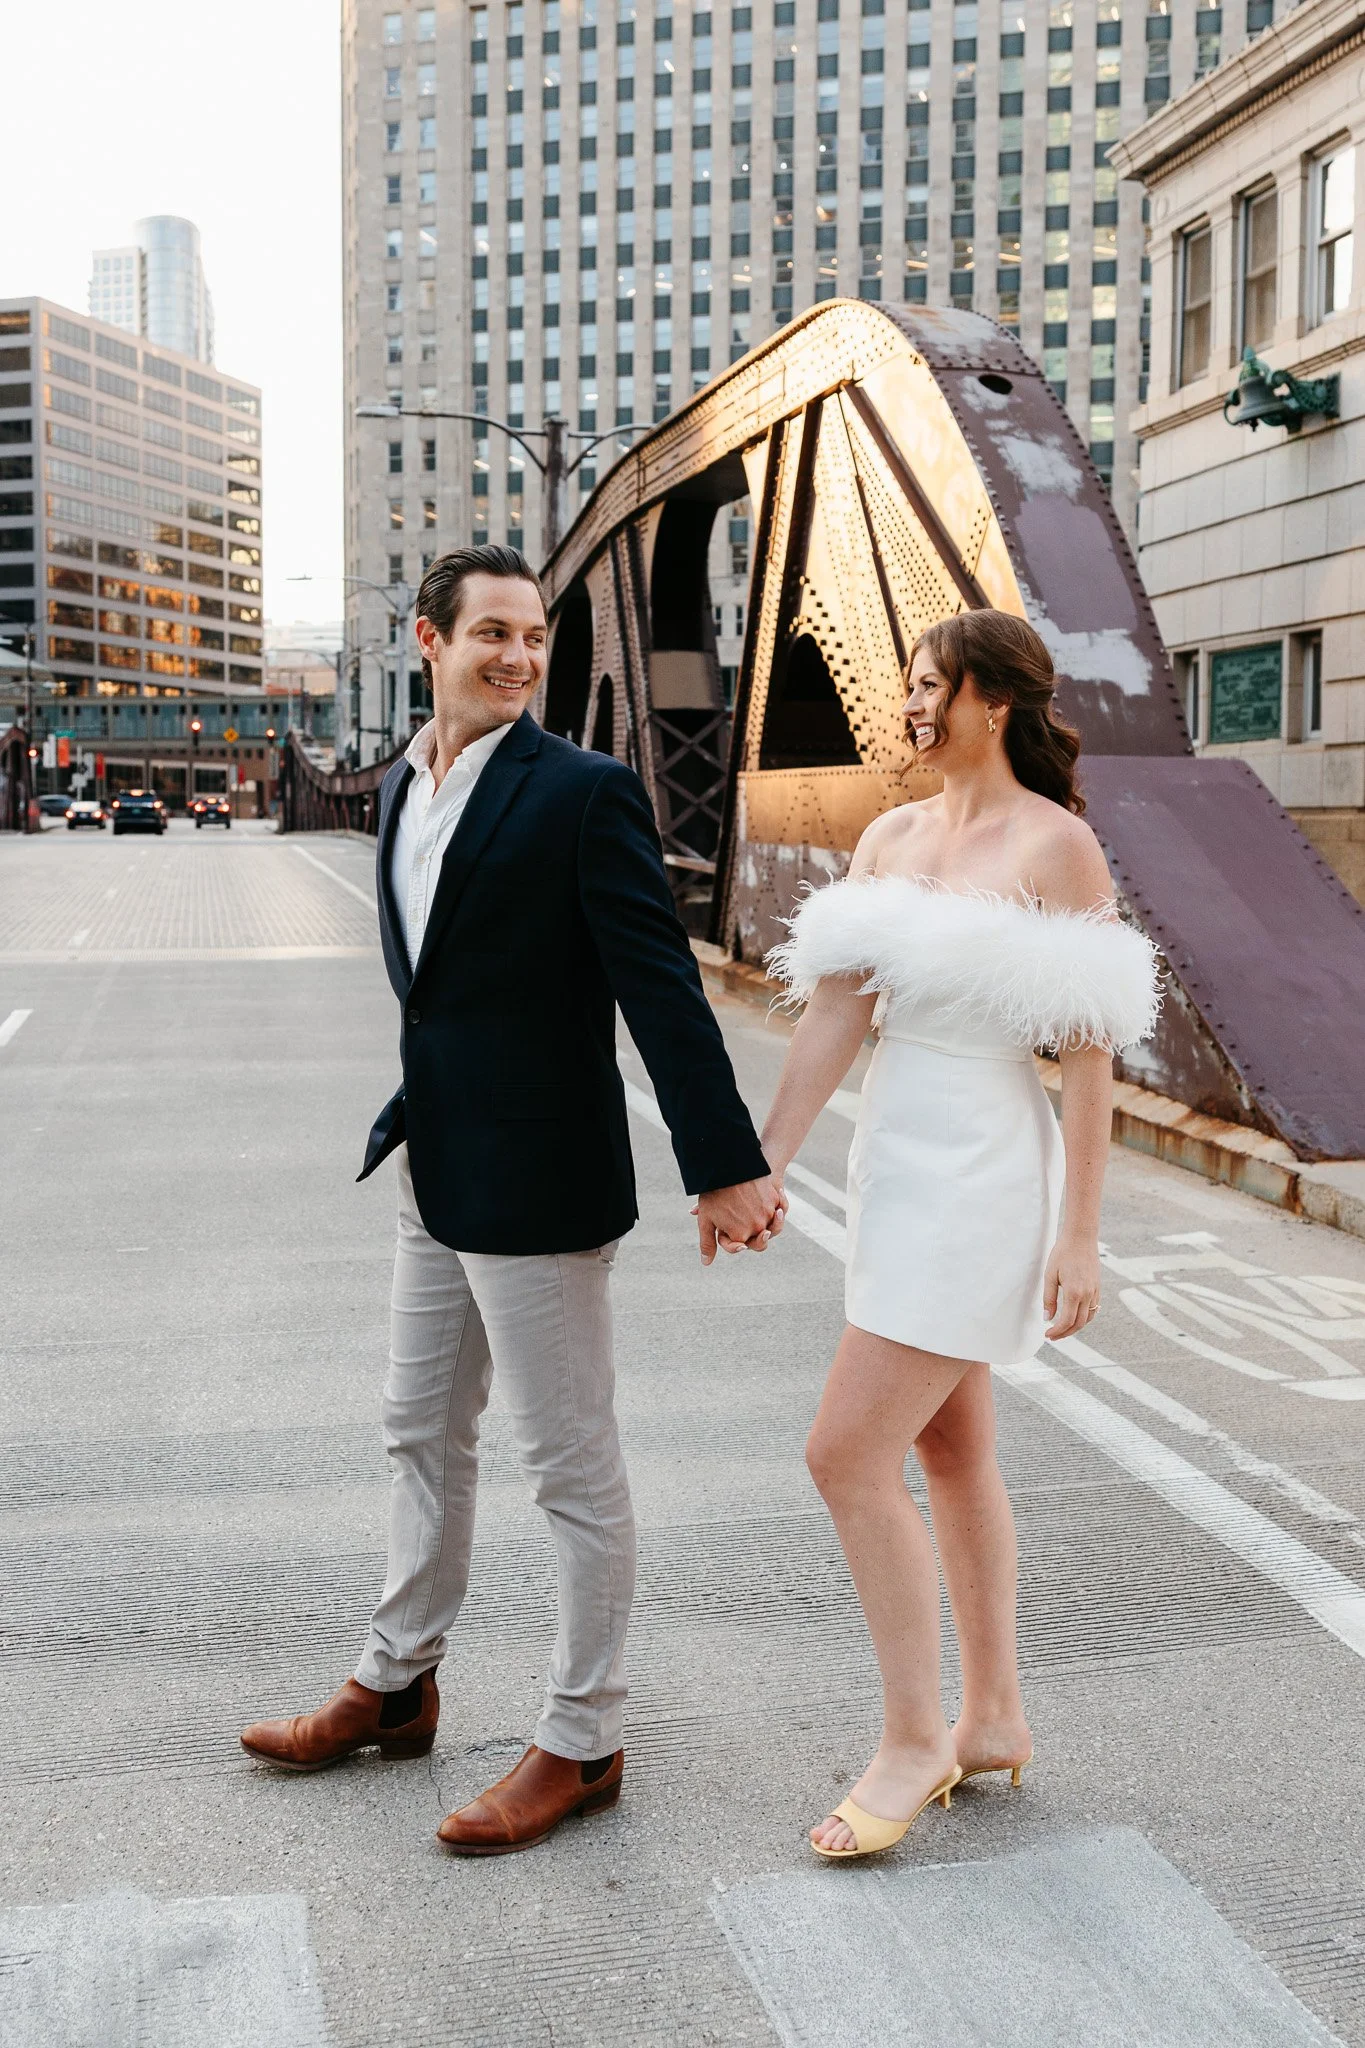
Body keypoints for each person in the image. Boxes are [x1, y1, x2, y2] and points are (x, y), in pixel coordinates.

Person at [241, 545, 785, 1855]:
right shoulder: (398, 793)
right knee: (416, 1431)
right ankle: (396, 1681)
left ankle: (584, 1740)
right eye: (491, 632)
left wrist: (723, 1163)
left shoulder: (582, 794)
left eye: (535, 637)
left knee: (570, 1469)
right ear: (427, 640)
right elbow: (434, 988)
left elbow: (659, 984)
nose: (519, 657)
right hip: (437, 1165)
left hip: (541, 1183)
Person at [762, 608, 1158, 1860]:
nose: (912, 703)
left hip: (989, 1166)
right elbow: (836, 1010)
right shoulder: (887, 834)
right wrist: (758, 1160)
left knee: (842, 1454)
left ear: (993, 699)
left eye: (932, 685)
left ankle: (914, 1736)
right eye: (910, 684)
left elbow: (1090, 1063)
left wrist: (1080, 1236)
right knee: (952, 1445)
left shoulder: (1060, 846)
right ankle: (992, 1717)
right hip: (898, 1159)